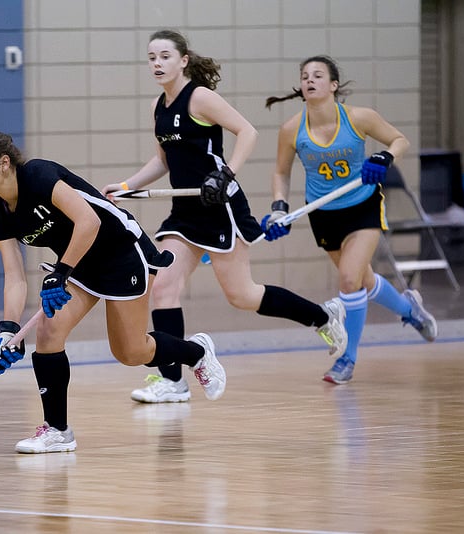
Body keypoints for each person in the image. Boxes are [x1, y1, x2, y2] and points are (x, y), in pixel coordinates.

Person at [101, 30, 348, 404]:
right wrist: (125, 186)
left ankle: (322, 317)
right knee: (163, 287)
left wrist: (227, 172)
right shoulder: (159, 106)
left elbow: (247, 131)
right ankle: (173, 381)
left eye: (165, 56)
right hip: (184, 212)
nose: (157, 63)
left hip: (221, 208)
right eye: (152, 57)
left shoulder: (199, 97)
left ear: (183, 60)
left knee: (242, 296)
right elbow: (164, 161)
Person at [0, 131, 226, 454]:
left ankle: (196, 353)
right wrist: (8, 330)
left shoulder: (38, 175)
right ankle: (58, 431)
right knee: (48, 330)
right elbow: (14, 275)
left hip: (122, 252)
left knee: (130, 352)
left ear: (4, 163)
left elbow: (88, 222)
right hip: (80, 264)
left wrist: (60, 273)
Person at [262, 55, 438, 385]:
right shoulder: (291, 130)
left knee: (347, 281)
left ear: (333, 85)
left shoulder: (359, 118)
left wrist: (384, 157)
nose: (309, 80)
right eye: (304, 76)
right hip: (322, 213)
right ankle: (409, 310)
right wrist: (279, 208)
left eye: (317, 75)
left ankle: (348, 358)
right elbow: (280, 172)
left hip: (362, 206)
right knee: (363, 280)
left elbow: (400, 140)